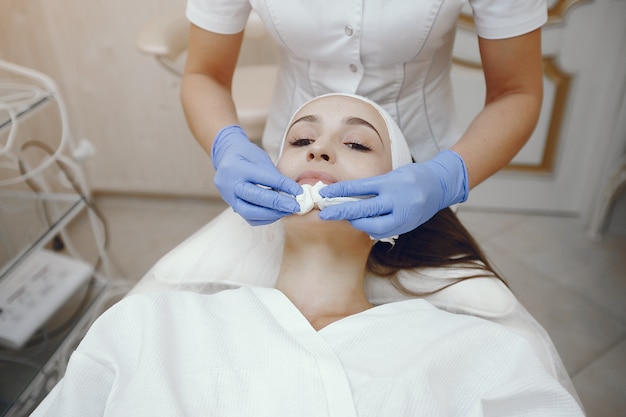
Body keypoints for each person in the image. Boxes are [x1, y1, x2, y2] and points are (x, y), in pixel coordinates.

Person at [30, 94, 583, 416]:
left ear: (404, 205)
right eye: (300, 141)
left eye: (359, 144)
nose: (320, 149)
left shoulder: (481, 351)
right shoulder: (149, 324)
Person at [181, 0, 546, 239]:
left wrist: (448, 177)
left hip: (423, 163)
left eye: (357, 143)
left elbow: (516, 92)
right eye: (308, 141)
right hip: (282, 169)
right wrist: (226, 145)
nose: (321, 151)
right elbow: (204, 75)